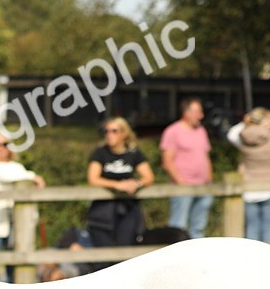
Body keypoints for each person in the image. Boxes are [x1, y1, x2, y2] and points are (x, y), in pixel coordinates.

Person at [87, 117, 154, 266]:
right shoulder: (100, 153)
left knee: (125, 253)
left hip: (127, 210)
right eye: (106, 131)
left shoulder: (134, 153)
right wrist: (117, 185)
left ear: (124, 133)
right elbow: (93, 178)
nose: (109, 134)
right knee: (103, 256)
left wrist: (136, 183)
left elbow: (148, 176)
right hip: (103, 212)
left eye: (114, 131)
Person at [0, 133, 44, 282]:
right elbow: (5, 175)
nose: (1, 148)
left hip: (16, 223)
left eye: (5, 144)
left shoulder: (18, 167)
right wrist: (32, 176)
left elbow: (18, 176)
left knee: (14, 268)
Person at [226, 107, 270, 243]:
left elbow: (231, 133)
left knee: (251, 230)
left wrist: (246, 122)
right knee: (269, 229)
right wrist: (269, 121)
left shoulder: (242, 138)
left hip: (248, 189)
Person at [160, 97, 213, 238]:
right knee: (178, 227)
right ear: (186, 112)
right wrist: (181, 182)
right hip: (183, 187)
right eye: (198, 112)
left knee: (199, 228)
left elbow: (205, 157)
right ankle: (176, 259)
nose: (201, 116)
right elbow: (167, 161)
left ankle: (197, 258)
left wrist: (209, 180)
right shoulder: (173, 131)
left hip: (203, 187)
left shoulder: (201, 131)